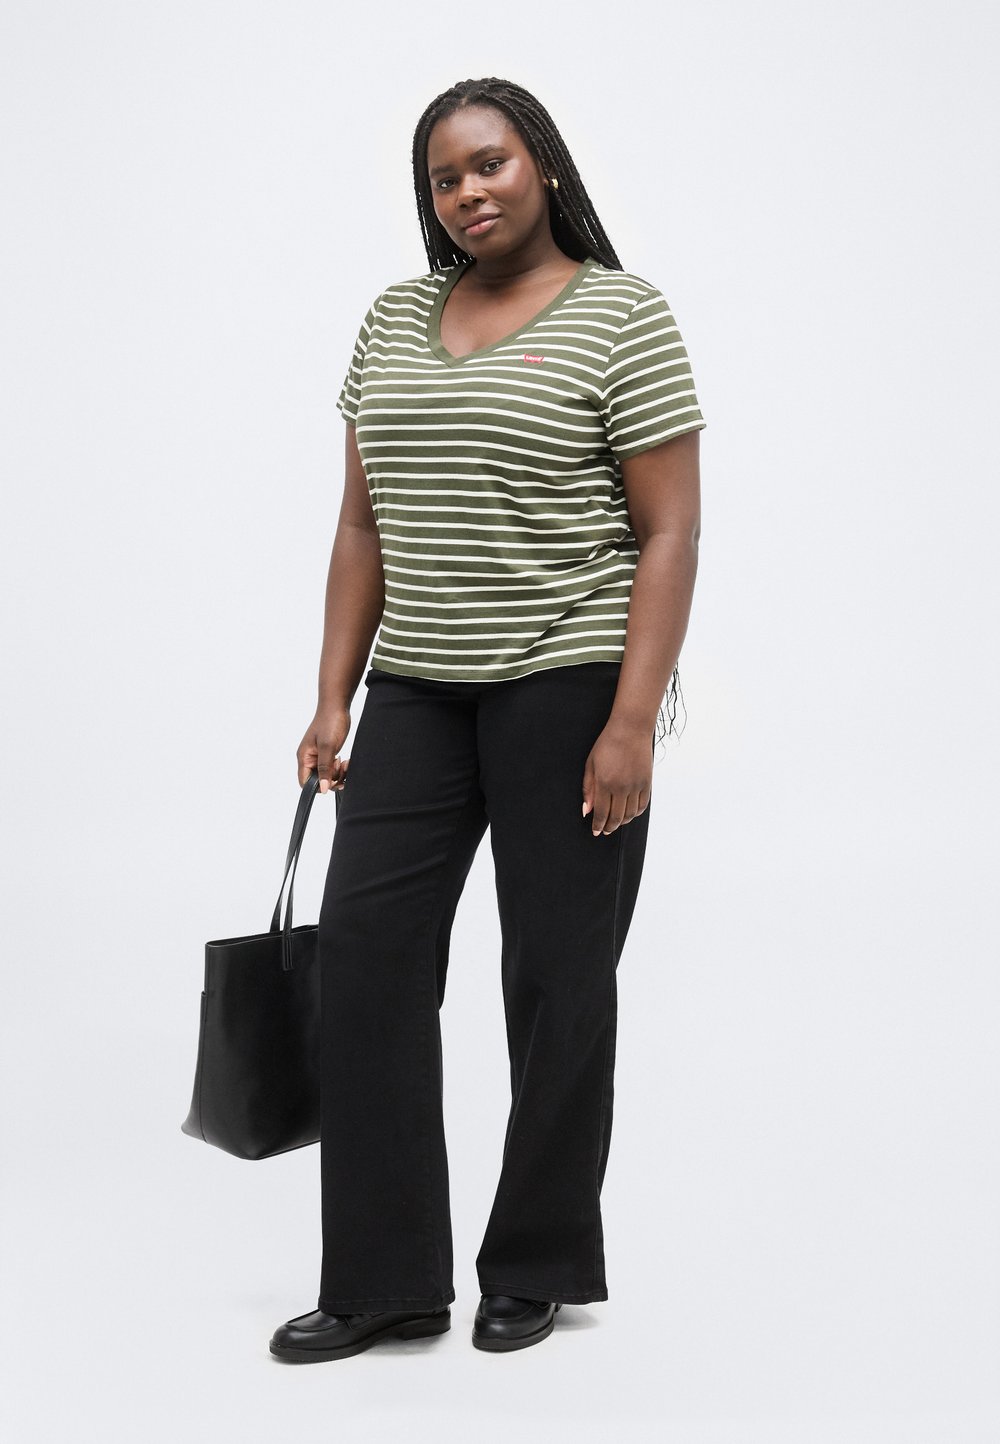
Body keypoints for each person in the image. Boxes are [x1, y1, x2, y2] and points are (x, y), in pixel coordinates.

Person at [269, 75, 706, 1364]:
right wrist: (333, 692)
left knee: (556, 978)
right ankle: (385, 1280)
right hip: (416, 686)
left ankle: (538, 1260)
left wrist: (631, 722)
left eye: (490, 163)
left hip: (567, 683)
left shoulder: (624, 315)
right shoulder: (394, 318)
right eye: (444, 178)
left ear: (545, 167)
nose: (468, 192)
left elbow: (670, 532)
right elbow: (362, 523)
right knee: (366, 962)